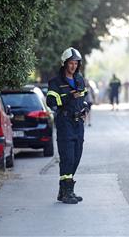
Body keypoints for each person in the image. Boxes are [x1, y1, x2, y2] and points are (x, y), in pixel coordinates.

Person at [46, 47, 89, 204]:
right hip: (65, 123)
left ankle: (63, 190)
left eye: (76, 63)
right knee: (68, 158)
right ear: (64, 63)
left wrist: (86, 108)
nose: (74, 66)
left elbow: (84, 99)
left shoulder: (79, 80)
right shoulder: (55, 82)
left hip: (78, 124)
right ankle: (67, 192)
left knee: (77, 156)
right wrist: (67, 97)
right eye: (71, 63)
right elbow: (51, 102)